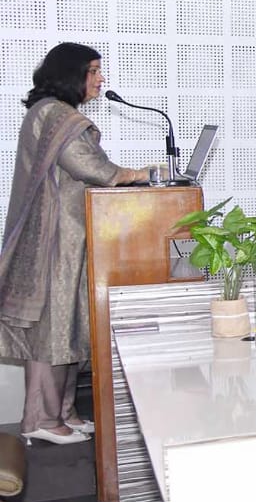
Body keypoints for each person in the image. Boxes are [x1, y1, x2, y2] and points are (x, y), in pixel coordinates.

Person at [0, 44, 151, 444]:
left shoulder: (55, 112)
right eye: (93, 71)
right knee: (52, 329)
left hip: (68, 237)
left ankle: (64, 413)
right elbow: (88, 166)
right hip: (54, 241)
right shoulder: (55, 113)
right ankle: (40, 419)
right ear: (72, 73)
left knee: (68, 326)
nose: (100, 79)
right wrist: (139, 174)